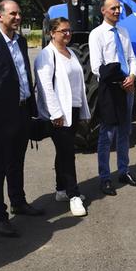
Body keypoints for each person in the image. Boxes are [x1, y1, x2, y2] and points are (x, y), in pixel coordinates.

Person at [0, 0, 43, 238]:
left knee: (17, 160)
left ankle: (18, 201)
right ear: (0, 16)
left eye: (19, 13)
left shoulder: (21, 42)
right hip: (1, 117)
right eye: (13, 13)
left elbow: (24, 75)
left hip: (22, 112)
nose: (18, 17)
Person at [34, 17, 91, 216]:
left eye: (69, 30)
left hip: (72, 109)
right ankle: (74, 195)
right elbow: (45, 87)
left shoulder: (70, 53)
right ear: (52, 33)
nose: (67, 34)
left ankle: (61, 190)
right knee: (67, 153)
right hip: (59, 113)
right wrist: (55, 113)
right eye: (63, 31)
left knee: (63, 152)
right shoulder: (46, 55)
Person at [89, 0, 136, 196]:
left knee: (125, 131)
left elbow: (131, 58)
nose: (117, 11)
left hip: (128, 88)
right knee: (107, 135)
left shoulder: (124, 32)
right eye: (113, 8)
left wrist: (132, 76)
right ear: (103, 11)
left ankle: (124, 171)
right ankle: (104, 178)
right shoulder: (96, 34)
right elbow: (96, 66)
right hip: (111, 89)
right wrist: (120, 79)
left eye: (119, 8)